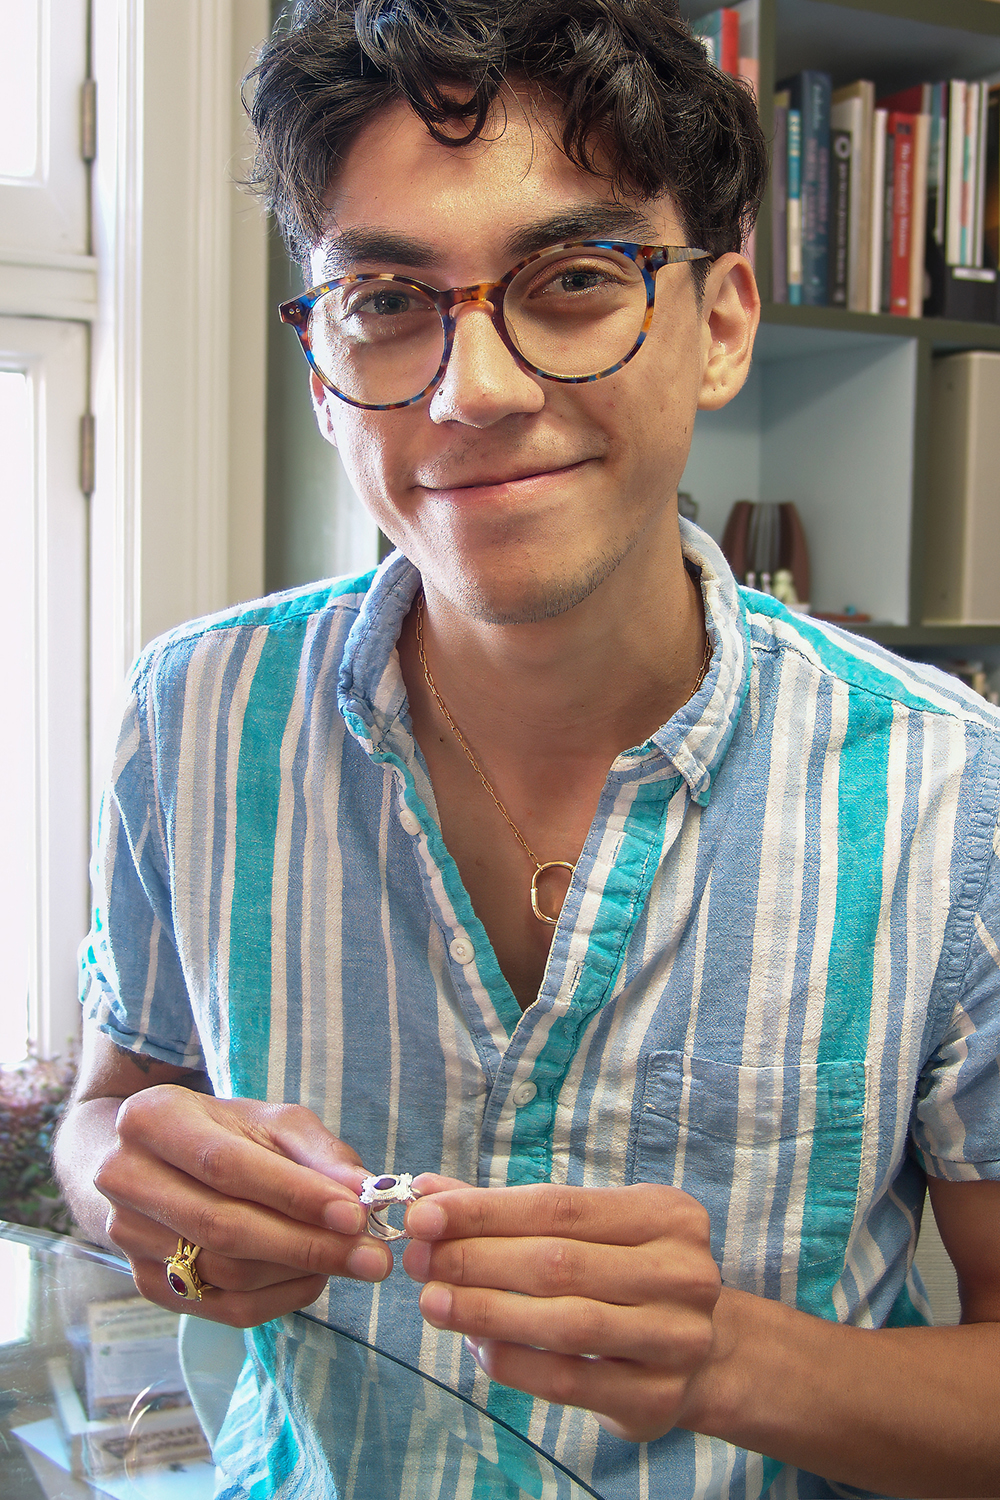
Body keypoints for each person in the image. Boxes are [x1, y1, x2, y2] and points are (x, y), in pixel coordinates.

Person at [53, 0, 1000, 1496]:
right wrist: (127, 1185)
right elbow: (115, 1104)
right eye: (385, 298)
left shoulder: (960, 800)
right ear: (320, 364)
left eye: (573, 280)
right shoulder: (194, 715)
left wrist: (728, 1362)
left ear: (722, 325)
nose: (473, 389)